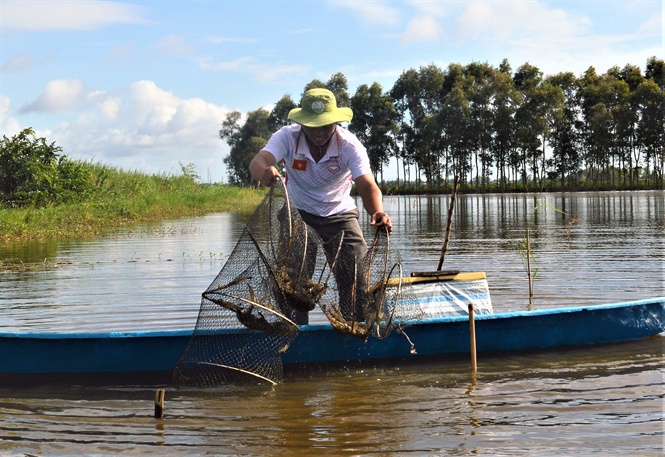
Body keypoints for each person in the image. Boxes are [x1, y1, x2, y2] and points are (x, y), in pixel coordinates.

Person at [249, 88, 392, 323]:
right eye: (313, 126)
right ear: (302, 122)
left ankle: (354, 331)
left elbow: (367, 186)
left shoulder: (349, 145)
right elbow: (259, 161)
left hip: (340, 214)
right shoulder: (287, 137)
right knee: (293, 284)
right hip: (298, 215)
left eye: (326, 125)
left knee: (355, 279)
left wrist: (378, 211)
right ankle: (295, 335)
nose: (319, 132)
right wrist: (263, 171)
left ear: (336, 122)